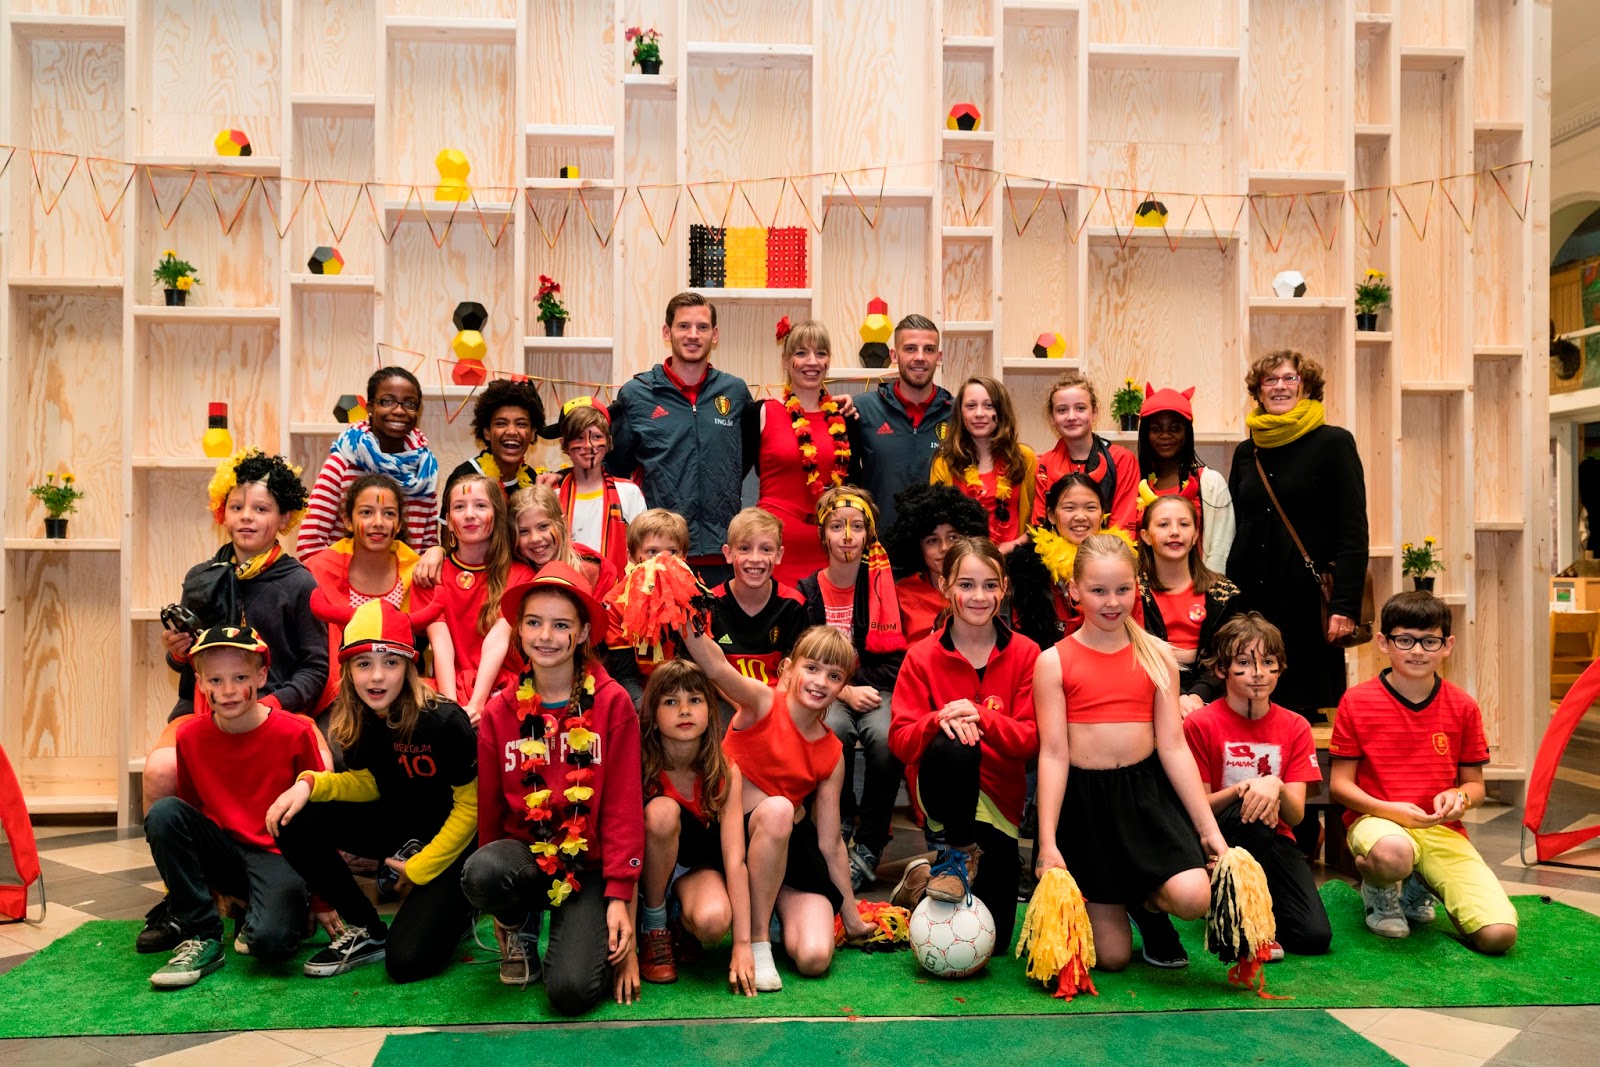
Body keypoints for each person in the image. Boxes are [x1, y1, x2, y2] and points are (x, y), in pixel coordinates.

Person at [1033, 534, 1228, 971]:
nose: (1112, 602)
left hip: (1144, 798)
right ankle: (1123, 905)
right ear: (1074, 591)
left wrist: (1208, 830)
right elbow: (1053, 754)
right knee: (1113, 958)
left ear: (1137, 587)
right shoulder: (1053, 662)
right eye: (1098, 590)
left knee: (1194, 897)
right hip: (1085, 807)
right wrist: (1047, 843)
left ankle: (1148, 902)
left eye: (1122, 589)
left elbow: (1174, 747)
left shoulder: (1157, 655)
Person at [266, 599, 477, 981]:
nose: (376, 677)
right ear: (348, 669)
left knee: (406, 962)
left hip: (452, 844)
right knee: (293, 820)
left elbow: (471, 809)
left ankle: (463, 907)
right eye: (363, 664)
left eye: (390, 663)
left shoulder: (445, 720)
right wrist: (310, 784)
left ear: (409, 666)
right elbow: (368, 783)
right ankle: (367, 928)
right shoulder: (357, 714)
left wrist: (422, 867)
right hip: (399, 829)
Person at [464, 563, 644, 1011]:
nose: (546, 636)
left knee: (571, 992)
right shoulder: (500, 712)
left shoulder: (613, 703)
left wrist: (620, 898)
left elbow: (623, 808)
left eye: (561, 625)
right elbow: (490, 811)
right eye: (534, 622)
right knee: (482, 870)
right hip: (527, 856)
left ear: (582, 634)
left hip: (589, 867)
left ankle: (586, 933)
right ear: (519, 631)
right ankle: (520, 928)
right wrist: (498, 900)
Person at [681, 623, 876, 992]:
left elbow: (831, 843)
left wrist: (851, 918)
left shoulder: (833, 753)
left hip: (787, 853)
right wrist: (683, 618)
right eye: (812, 668)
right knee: (779, 810)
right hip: (723, 842)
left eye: (834, 676)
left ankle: (772, 910)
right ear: (788, 667)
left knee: (815, 958)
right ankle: (759, 939)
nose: (820, 682)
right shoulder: (761, 702)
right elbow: (717, 667)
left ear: (842, 687)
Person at [1330, 592, 1518, 955]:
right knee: (1395, 852)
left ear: (1447, 646)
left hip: (1440, 828)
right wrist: (1390, 810)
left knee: (1499, 936)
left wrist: (1459, 796)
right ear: (1383, 642)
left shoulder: (1463, 705)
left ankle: (1419, 884)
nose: (1417, 651)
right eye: (1405, 640)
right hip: (1377, 823)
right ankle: (1380, 891)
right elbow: (1340, 785)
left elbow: (1475, 786)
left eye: (1429, 641)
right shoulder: (1357, 701)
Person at [145, 448, 327, 816]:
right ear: (221, 513)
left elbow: (315, 668)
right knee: (159, 771)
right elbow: (187, 666)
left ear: (284, 518)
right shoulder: (201, 578)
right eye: (237, 507)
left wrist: (271, 705)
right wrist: (178, 652)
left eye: (261, 509)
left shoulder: (300, 583)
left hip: (276, 708)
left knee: (322, 767)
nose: (246, 516)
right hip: (203, 708)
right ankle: (180, 850)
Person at [143, 625, 324, 987]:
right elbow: (190, 814)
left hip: (278, 853)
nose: (227, 690)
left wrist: (321, 896)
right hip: (224, 849)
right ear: (200, 683)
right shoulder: (190, 736)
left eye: (239, 677)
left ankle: (271, 908)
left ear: (261, 677)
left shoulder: (295, 732)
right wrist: (209, 886)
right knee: (165, 813)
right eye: (216, 680)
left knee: (272, 944)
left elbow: (320, 817)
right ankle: (202, 934)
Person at [887, 537, 1039, 954]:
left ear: (1004, 588)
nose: (978, 596)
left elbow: (1030, 740)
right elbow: (900, 741)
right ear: (944, 586)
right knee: (955, 739)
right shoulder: (921, 656)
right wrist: (940, 719)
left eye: (990, 585)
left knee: (997, 942)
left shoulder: (1027, 653)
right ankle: (956, 853)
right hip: (943, 791)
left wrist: (980, 715)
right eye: (966, 585)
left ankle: (921, 879)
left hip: (999, 800)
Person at [1226, 349, 1369, 721]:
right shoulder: (1247, 451)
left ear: (1307, 387)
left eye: (1290, 378)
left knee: (1303, 710)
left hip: (1306, 599)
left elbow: (1353, 530)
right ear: (1258, 391)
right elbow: (1236, 524)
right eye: (1270, 380)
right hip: (1253, 599)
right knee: (1249, 706)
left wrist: (1344, 605)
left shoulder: (1333, 443)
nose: (1280, 386)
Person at [1183, 613, 1332, 957]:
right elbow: (1197, 807)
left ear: (1280, 669)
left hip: (1275, 838)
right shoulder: (1200, 724)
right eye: (1244, 663)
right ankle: (1240, 916)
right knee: (1254, 816)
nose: (1258, 673)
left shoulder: (1296, 726)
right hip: (1218, 838)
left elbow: (1294, 817)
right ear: (1222, 669)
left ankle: (1255, 901)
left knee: (1313, 937)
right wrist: (1245, 788)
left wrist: (1274, 785)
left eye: (1268, 662)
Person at [795, 487, 906, 889]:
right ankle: (838, 821)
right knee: (833, 730)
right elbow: (802, 658)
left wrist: (860, 689)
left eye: (857, 527)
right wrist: (843, 691)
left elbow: (894, 660)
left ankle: (872, 840)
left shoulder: (882, 585)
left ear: (868, 534)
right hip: (828, 693)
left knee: (885, 737)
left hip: (876, 688)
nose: (847, 536)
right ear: (823, 535)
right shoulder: (807, 590)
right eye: (836, 527)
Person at [607, 292, 753, 585]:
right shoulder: (637, 395)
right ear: (667, 332)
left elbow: (748, 457)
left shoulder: (735, 392)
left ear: (714, 335)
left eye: (702, 327)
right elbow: (613, 467)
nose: (693, 335)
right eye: (684, 326)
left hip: (723, 553)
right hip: (661, 555)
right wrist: (565, 477)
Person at [636, 660, 754, 994]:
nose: (684, 710)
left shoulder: (724, 770)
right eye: (670, 701)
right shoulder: (638, 763)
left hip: (691, 871)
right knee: (661, 812)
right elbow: (623, 849)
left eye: (695, 700)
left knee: (714, 921)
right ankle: (653, 927)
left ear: (710, 710)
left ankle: (679, 922)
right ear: (652, 714)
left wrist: (742, 944)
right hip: (644, 873)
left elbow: (735, 860)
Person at [301, 474, 453, 713]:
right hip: (340, 701)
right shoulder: (319, 571)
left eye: (389, 514)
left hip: (404, 698)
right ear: (347, 521)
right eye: (366, 512)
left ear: (399, 524)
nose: (378, 522)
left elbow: (439, 639)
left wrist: (438, 549)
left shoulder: (417, 572)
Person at [754, 319, 852, 586]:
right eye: (801, 353)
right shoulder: (761, 413)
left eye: (820, 353)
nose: (812, 362)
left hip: (830, 552)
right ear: (786, 362)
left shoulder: (845, 418)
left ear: (828, 361)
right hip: (774, 551)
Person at [300, 367, 439, 555]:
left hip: (408, 574)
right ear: (370, 407)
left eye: (409, 403)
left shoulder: (425, 471)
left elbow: (428, 548)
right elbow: (309, 543)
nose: (399, 410)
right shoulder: (342, 463)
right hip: (343, 573)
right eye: (387, 401)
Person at [435, 474, 534, 724]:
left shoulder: (520, 574)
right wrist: (451, 708)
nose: (469, 514)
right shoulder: (433, 574)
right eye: (459, 507)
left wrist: (477, 704)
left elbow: (497, 640)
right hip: (447, 688)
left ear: (497, 515)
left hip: (502, 687)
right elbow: (441, 645)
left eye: (480, 505)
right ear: (449, 520)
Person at [1008, 472, 1141, 648]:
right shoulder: (1027, 567)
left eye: (1090, 508)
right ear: (1051, 515)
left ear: (1102, 514)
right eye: (1069, 508)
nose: (1080, 516)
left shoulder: (1119, 559)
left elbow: (1136, 624)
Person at [848, 314, 954, 532]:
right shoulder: (863, 410)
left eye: (929, 349)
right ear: (894, 355)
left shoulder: (957, 413)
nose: (920, 357)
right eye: (910, 349)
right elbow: (845, 481)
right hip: (878, 545)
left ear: (939, 357)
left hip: (939, 546)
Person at [1137, 495, 1241, 715]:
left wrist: (1197, 695)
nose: (1175, 532)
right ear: (1145, 536)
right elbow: (1136, 655)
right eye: (1163, 524)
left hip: (1212, 689)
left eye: (1184, 524)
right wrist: (1178, 694)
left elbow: (1228, 655)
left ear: (1195, 536)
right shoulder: (1133, 592)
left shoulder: (1223, 593)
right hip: (1150, 688)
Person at [930, 376, 1037, 553]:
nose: (979, 413)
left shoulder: (1024, 458)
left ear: (1001, 411)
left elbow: (1038, 519)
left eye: (989, 405)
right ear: (960, 413)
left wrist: (1011, 547)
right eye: (971, 406)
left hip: (1014, 560)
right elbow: (939, 523)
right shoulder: (945, 462)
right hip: (963, 560)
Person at [1133, 384, 1234, 572]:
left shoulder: (1210, 482)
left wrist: (1209, 587)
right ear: (1145, 434)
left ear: (1187, 432)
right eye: (1156, 428)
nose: (1165, 435)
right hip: (1142, 586)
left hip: (1199, 586)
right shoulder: (1134, 482)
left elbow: (1221, 548)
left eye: (1175, 428)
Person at [543, 396, 646, 578]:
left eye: (596, 437)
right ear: (564, 444)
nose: (588, 446)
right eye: (579, 437)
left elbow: (643, 552)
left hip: (618, 591)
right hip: (564, 588)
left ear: (609, 441)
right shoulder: (552, 494)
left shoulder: (629, 493)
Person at [710, 507, 809, 690]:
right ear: (728, 553)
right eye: (744, 548)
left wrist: (771, 705)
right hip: (725, 698)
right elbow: (708, 672)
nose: (755, 558)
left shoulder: (794, 605)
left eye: (766, 549)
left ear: (779, 555)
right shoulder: (709, 604)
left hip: (778, 697)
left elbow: (796, 670)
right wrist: (742, 703)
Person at [602, 508, 693, 706]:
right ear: (632, 556)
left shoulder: (696, 597)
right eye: (652, 552)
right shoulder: (615, 602)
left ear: (684, 556)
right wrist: (648, 711)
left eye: (672, 552)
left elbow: (699, 668)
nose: (662, 561)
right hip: (639, 699)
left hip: (687, 692)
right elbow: (625, 677)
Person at [881, 484, 990, 644]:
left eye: (953, 537)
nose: (944, 547)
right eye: (932, 541)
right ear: (918, 548)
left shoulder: (986, 590)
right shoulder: (901, 595)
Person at [1034, 372, 1139, 532]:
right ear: (1052, 418)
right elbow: (1040, 525)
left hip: (1108, 547)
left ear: (1094, 412)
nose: (1071, 417)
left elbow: (1123, 529)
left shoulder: (1122, 459)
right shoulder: (1045, 463)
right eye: (1062, 410)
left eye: (1080, 408)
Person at [508, 484, 618, 602]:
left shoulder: (589, 571)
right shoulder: (512, 576)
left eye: (543, 526)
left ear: (563, 523)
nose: (535, 538)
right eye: (523, 531)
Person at [445, 377, 545, 497]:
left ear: (533, 433)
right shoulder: (464, 477)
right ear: (487, 432)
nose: (512, 431)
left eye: (521, 424)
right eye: (501, 423)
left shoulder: (532, 481)